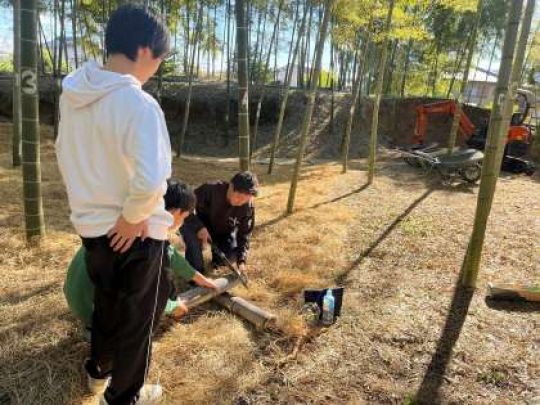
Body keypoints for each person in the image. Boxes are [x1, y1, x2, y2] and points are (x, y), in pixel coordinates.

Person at [56, 5, 173, 404]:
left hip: (91, 230)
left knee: (105, 306)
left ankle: (98, 373)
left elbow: (66, 158)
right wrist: (130, 217)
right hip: (135, 234)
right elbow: (153, 178)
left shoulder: (73, 97)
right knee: (137, 321)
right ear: (145, 50)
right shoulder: (138, 104)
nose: (155, 68)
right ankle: (125, 397)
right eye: (159, 59)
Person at [64, 180, 218, 331]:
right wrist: (171, 306)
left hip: (76, 298)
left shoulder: (132, 219)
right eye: (184, 217)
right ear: (176, 213)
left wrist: (201, 280)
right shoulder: (147, 243)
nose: (183, 222)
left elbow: (171, 256)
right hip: (94, 310)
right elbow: (143, 296)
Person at [180, 171, 258, 275]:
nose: (240, 202)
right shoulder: (209, 189)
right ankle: (195, 276)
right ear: (231, 186)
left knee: (229, 257)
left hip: (223, 232)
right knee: (193, 245)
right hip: (199, 225)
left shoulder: (247, 207)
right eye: (239, 197)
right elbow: (184, 207)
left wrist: (242, 260)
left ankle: (217, 263)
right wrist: (199, 227)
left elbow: (245, 234)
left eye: (245, 200)